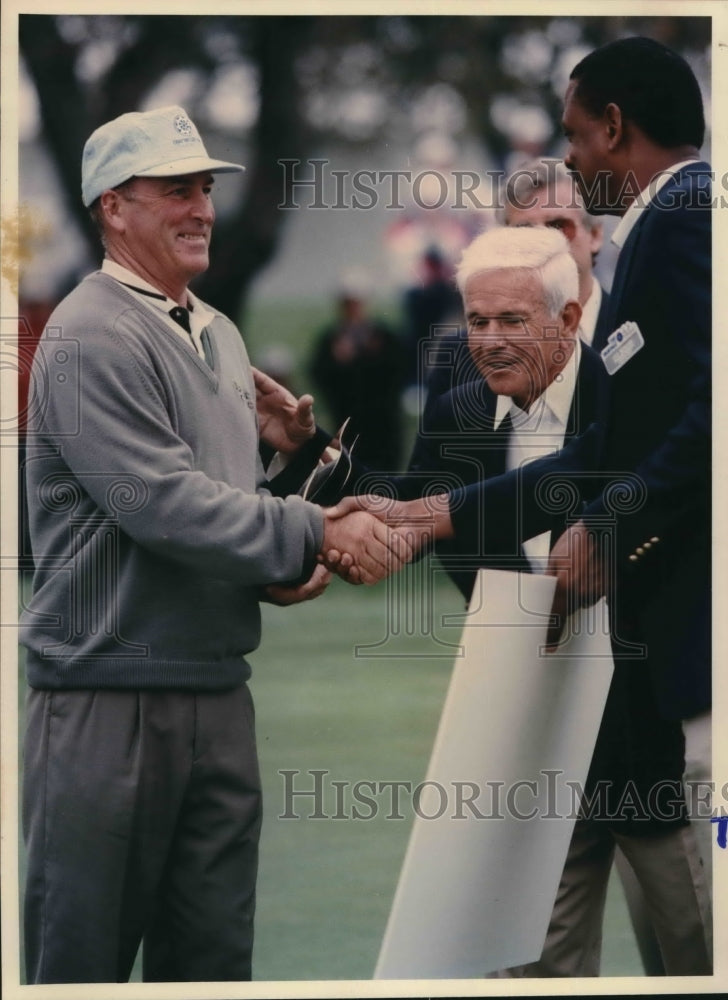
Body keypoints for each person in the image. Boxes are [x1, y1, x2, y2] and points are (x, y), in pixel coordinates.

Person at [333, 35, 712, 976]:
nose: (573, 163)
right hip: (544, 742)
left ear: (615, 128)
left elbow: (705, 422)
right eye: (481, 320)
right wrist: (421, 518)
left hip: (677, 693)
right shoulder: (661, 232)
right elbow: (605, 456)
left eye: (578, 138)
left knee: (701, 950)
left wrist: (611, 519)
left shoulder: (685, 219)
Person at [19, 105, 411, 985]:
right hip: (104, 700)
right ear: (112, 207)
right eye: (174, 190)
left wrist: (296, 477)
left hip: (216, 694)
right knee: (79, 965)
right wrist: (314, 529)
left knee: (210, 968)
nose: (200, 207)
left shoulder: (222, 336)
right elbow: (162, 507)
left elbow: (220, 516)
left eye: (204, 188)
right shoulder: (88, 334)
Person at [426, 158, 610, 407]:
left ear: (595, 236)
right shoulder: (462, 355)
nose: (543, 242)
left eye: (558, 226)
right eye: (525, 232)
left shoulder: (639, 332)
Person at [309, 272, 406, 470]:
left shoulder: (383, 335)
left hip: (383, 426)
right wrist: (339, 363)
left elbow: (400, 371)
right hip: (348, 423)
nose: (352, 309)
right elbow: (319, 374)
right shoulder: (331, 338)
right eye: (347, 303)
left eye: (356, 303)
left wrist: (367, 359)